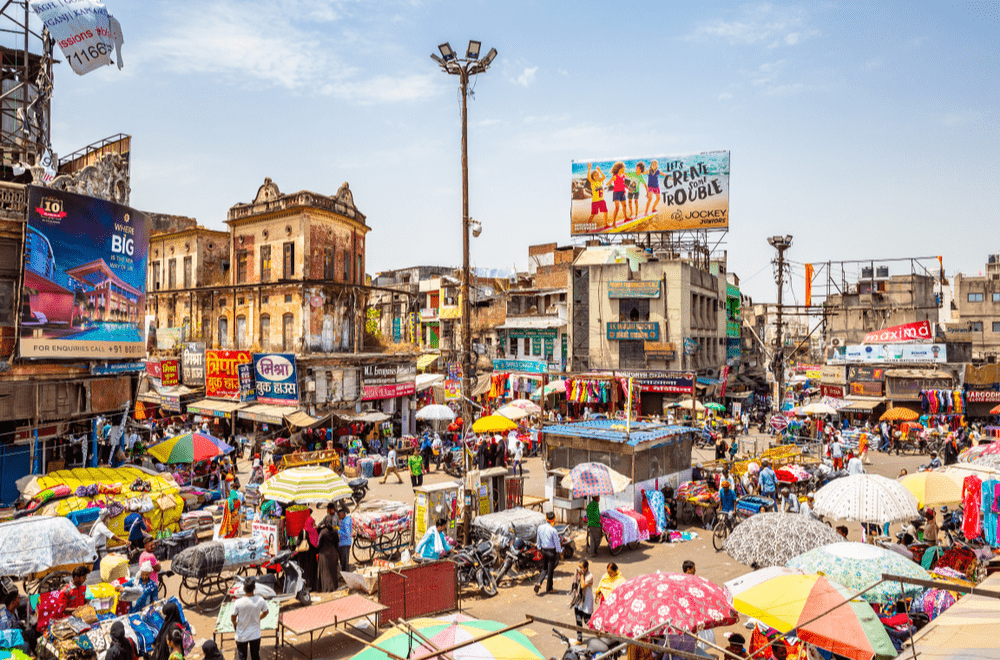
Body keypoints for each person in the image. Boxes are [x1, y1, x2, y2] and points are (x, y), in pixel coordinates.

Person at [231, 577, 269, 660]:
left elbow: (233, 618)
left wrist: (235, 624)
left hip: (241, 636)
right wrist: (259, 618)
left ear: (244, 588)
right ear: (254, 588)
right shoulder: (261, 600)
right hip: (255, 635)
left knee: (242, 657)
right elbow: (266, 612)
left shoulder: (238, 602)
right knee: (255, 656)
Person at [534, 512, 562, 595]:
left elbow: (538, 540)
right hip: (551, 552)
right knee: (550, 571)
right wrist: (560, 553)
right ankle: (549, 588)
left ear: (546, 518)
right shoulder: (553, 530)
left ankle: (539, 583)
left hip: (543, 550)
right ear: (553, 519)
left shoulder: (540, 528)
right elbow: (557, 543)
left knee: (544, 568)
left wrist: (539, 550)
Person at [317, 503, 341, 592]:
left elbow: (318, 544)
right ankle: (334, 587)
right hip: (333, 553)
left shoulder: (323, 533)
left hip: (324, 554)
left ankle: (326, 588)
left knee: (325, 573)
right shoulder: (334, 532)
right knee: (333, 572)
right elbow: (336, 542)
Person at [569, 560, 594, 642]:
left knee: (587, 621)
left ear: (586, 568)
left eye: (581, 567)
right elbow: (575, 586)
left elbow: (583, 586)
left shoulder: (589, 576)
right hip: (578, 601)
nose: (578, 569)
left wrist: (582, 575)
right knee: (578, 620)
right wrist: (573, 599)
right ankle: (579, 639)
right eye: (578, 566)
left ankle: (599, 632)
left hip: (586, 601)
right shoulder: (577, 574)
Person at [297, 516, 320, 592]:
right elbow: (316, 545)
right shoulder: (314, 532)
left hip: (303, 557)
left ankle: (304, 586)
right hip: (312, 557)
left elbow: (298, 543)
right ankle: (312, 586)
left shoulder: (302, 532)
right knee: (312, 572)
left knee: (304, 572)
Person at [336, 506, 352, 573]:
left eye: (339, 515)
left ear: (343, 514)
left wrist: (338, 531)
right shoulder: (347, 519)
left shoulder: (345, 522)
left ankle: (346, 575)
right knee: (344, 561)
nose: (339, 517)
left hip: (345, 544)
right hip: (345, 543)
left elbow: (348, 534)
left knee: (344, 562)